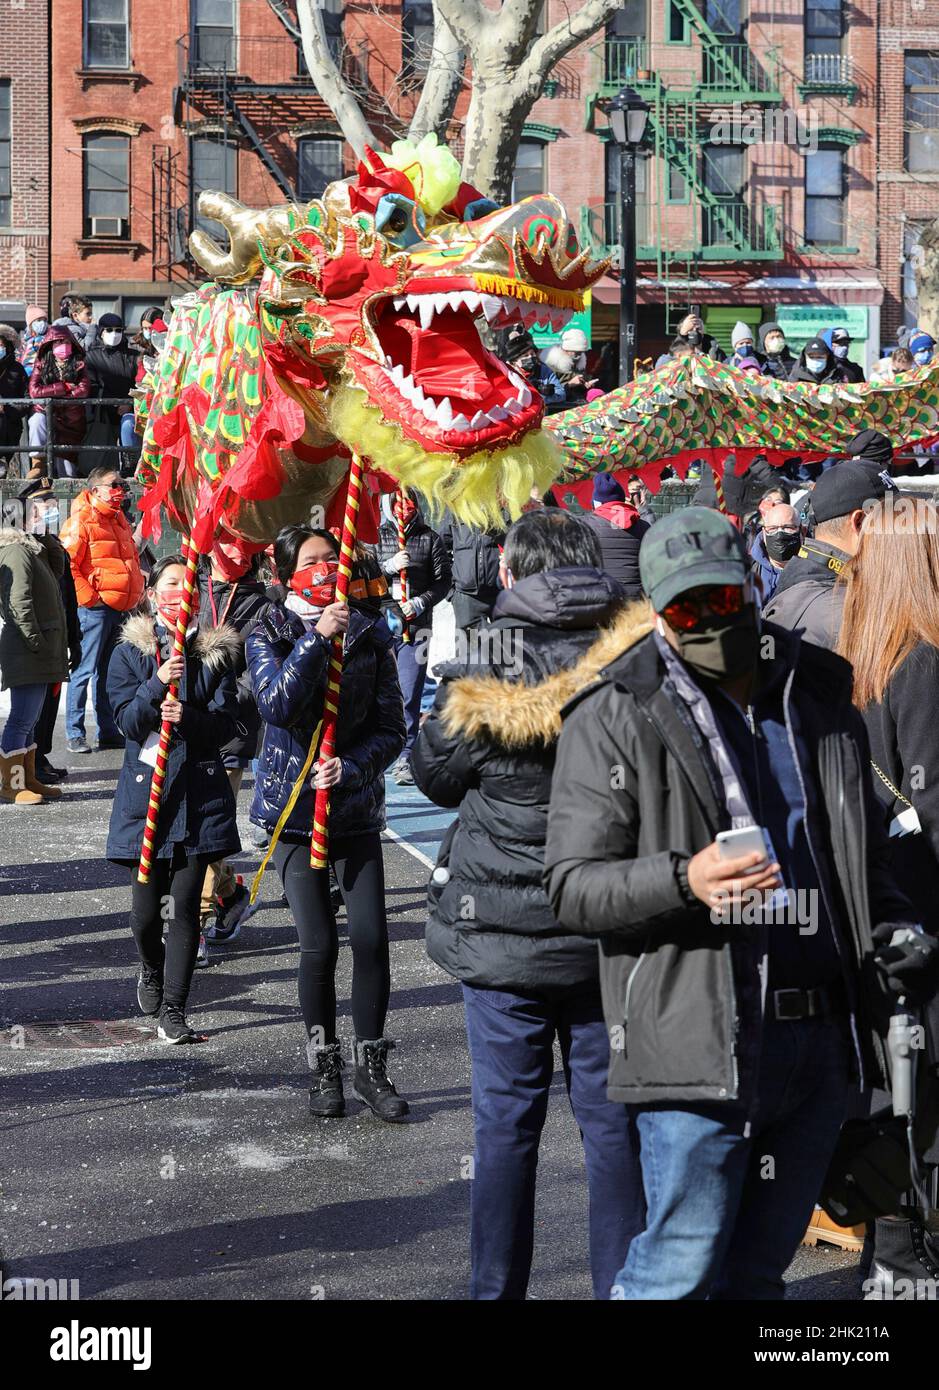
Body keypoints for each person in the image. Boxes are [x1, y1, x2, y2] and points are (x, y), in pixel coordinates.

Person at [543, 506, 936, 1300]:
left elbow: (854, 852)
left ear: (751, 587)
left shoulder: (816, 691)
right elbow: (572, 887)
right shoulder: (614, 712)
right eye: (688, 608)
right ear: (656, 613)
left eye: (724, 598)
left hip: (821, 1041)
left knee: (757, 1275)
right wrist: (682, 881)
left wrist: (891, 924)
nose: (711, 619)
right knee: (676, 1270)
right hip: (697, 1042)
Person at [410, 509, 641, 1299]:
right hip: (609, 921)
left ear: (511, 572)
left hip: (501, 930)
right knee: (612, 1129)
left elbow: (435, 777)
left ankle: (494, 1292)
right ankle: (623, 1289)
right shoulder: (635, 653)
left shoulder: (488, 656)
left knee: (504, 1130)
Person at [246, 525, 408, 1121]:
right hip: (293, 816)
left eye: (330, 559)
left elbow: (393, 728)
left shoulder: (373, 631)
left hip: (354, 811)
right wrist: (316, 640)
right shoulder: (267, 628)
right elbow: (278, 706)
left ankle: (372, 1064)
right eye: (310, 562)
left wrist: (354, 768)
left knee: (370, 939)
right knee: (318, 946)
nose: (323, 569)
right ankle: (324, 1065)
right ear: (288, 573)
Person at [106, 554, 242, 1043]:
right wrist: (156, 683)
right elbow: (125, 721)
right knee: (148, 913)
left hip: (198, 798)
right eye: (169, 583)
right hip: (148, 799)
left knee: (184, 910)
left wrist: (187, 715)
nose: (178, 590)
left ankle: (175, 1010)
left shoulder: (216, 654)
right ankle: (149, 967)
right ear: (151, 591)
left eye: (187, 583)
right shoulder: (130, 653)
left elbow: (230, 726)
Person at [196, 540, 272, 946]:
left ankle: (199, 927)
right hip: (185, 726)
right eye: (227, 540)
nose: (235, 551)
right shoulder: (191, 582)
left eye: (245, 544)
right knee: (192, 825)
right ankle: (232, 895)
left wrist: (221, 699)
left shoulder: (263, 604)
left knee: (207, 825)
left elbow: (258, 672)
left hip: (230, 728)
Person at [60, 466, 144, 753]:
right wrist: (89, 598)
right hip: (95, 609)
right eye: (114, 484)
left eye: (122, 483)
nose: (120, 488)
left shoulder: (119, 518)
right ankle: (74, 732)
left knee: (108, 672)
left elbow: (130, 557)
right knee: (84, 671)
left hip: (118, 607)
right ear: (95, 490)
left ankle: (107, 731)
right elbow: (68, 565)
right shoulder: (80, 521)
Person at [763, 462, 892, 649]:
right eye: (891, 519)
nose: (899, 531)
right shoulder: (846, 614)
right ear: (859, 522)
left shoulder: (809, 577)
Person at [0, 496, 70, 806]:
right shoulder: (16, 551)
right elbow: (19, 604)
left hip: (40, 649)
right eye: (38, 514)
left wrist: (46, 535)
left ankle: (28, 779)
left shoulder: (33, 548)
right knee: (21, 719)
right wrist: (37, 643)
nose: (47, 516)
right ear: (21, 519)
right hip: (29, 649)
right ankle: (11, 784)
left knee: (31, 720)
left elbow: (58, 571)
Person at [377, 491, 450, 785]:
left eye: (410, 504)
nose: (404, 509)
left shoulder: (430, 538)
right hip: (384, 624)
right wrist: (387, 567)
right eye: (398, 503)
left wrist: (421, 601)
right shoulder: (378, 537)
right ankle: (379, 751)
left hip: (416, 627)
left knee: (409, 692)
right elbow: (365, 574)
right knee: (380, 692)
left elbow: (444, 580)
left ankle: (406, 755)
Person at [18, 477, 81, 786]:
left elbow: (68, 598)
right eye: (45, 506)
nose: (53, 511)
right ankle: (23, 770)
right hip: (38, 641)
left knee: (49, 703)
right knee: (31, 710)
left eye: (55, 505)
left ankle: (39, 756)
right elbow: (20, 601)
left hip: (57, 638)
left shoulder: (55, 547)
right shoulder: (22, 549)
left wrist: (76, 639)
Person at [27, 326, 91, 477]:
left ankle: (67, 499)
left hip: (70, 421)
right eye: (58, 342)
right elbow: (34, 391)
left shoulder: (79, 364)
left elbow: (83, 390)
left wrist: (53, 396)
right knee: (36, 421)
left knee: (67, 474)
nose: (63, 346)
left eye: (67, 342)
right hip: (45, 412)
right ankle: (38, 462)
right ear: (50, 345)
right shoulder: (41, 364)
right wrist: (64, 387)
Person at [580, 472, 649, 599]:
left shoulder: (584, 525)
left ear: (596, 503)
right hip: (635, 600)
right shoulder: (643, 526)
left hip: (599, 598)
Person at [438, 512, 506, 631]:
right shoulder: (455, 508)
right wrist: (451, 592)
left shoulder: (504, 503)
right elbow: (440, 551)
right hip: (467, 599)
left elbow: (518, 540)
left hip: (502, 594)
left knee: (508, 646)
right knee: (472, 647)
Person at [84, 312, 139, 448]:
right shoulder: (91, 357)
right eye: (109, 330)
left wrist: (129, 404)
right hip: (102, 414)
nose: (114, 334)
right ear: (101, 332)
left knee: (129, 450)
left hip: (129, 411)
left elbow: (139, 385)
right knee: (106, 457)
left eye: (118, 330)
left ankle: (129, 466)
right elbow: (92, 386)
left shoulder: (133, 357)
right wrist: (112, 404)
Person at [749, 501, 802, 604]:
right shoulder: (748, 571)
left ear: (802, 531)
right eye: (773, 528)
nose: (779, 534)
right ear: (764, 534)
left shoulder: (815, 570)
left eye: (788, 527)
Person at [502, 327, 566, 412]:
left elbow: (561, 394)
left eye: (532, 353)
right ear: (514, 361)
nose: (531, 357)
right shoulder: (508, 375)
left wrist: (543, 398)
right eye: (525, 356)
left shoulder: (544, 370)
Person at [0, 324, 30, 479]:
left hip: (11, 429)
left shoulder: (17, 369)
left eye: (1, 345)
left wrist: (7, 409)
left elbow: (26, 400)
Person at [541, 328, 596, 409]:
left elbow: (578, 388)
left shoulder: (579, 363)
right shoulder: (551, 364)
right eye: (576, 351)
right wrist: (569, 385)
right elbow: (548, 394)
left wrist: (586, 385)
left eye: (581, 352)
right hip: (558, 408)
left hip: (577, 404)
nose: (578, 355)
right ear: (566, 348)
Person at [17, 305, 49, 377]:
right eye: (39, 320)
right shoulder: (23, 341)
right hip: (23, 379)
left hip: (38, 378)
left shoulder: (47, 339)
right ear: (31, 323)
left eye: (45, 320)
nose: (43, 323)